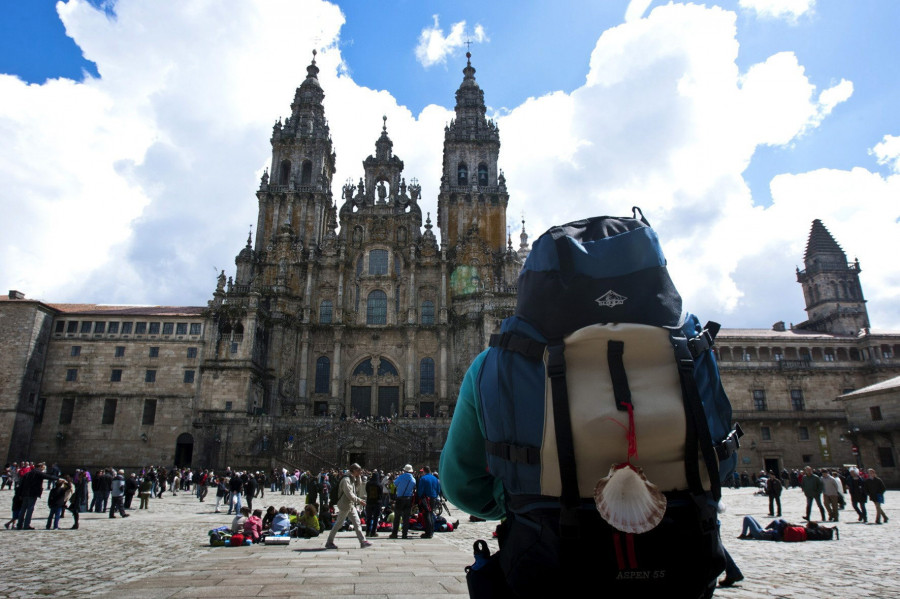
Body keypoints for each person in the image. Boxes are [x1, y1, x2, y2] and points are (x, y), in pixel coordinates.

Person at [324, 463, 371, 549]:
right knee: (339, 523)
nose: (360, 472)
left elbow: (357, 487)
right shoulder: (346, 480)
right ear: (353, 470)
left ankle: (363, 541)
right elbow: (349, 493)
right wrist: (359, 500)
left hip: (350, 504)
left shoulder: (352, 478)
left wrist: (358, 477)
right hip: (344, 504)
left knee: (357, 522)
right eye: (359, 471)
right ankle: (329, 542)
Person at [389, 465, 416, 539]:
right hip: (408, 499)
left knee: (397, 516)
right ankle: (405, 534)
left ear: (405, 471)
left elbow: (394, 484)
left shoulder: (401, 477)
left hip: (400, 498)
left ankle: (394, 533)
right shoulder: (413, 479)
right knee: (406, 518)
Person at [416, 466, 441, 539]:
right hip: (434, 498)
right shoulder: (435, 478)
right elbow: (438, 489)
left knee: (426, 515)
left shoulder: (423, 478)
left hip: (426, 498)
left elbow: (420, 490)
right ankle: (431, 531)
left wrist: (419, 497)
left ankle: (428, 532)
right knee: (431, 513)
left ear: (424, 471)